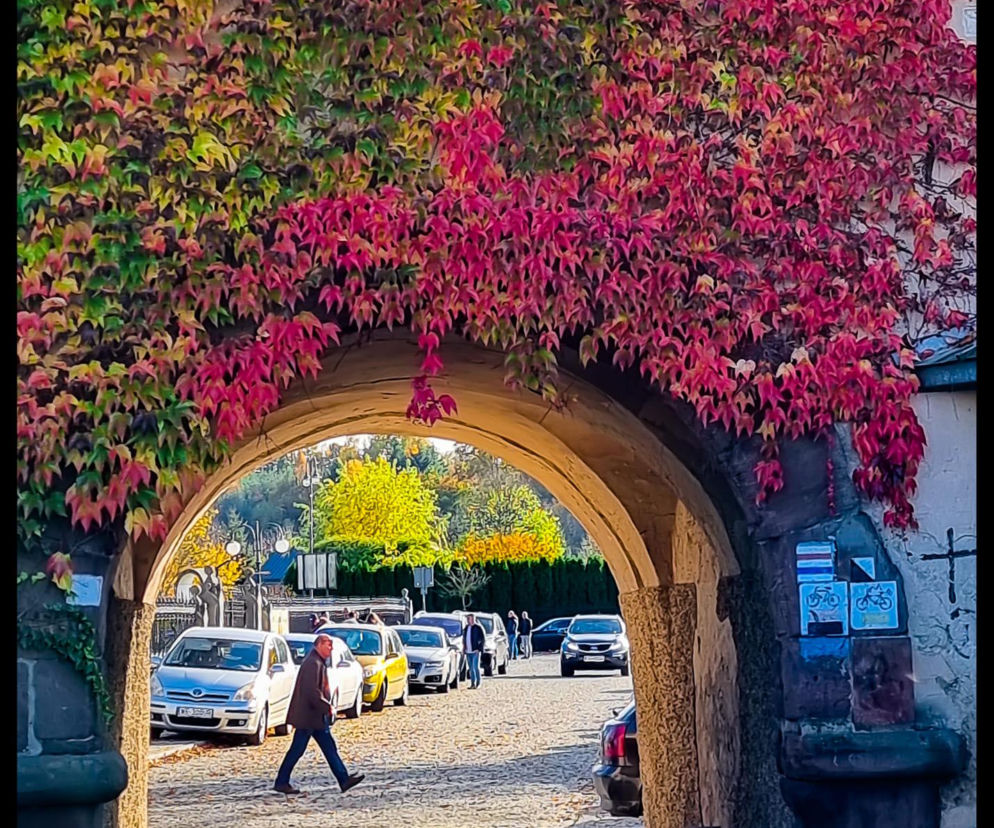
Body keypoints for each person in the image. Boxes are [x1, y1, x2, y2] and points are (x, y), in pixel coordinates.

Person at [274, 634, 365, 795]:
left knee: (329, 747)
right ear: (319, 645)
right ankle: (281, 781)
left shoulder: (317, 662)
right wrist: (326, 706)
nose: (330, 649)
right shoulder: (312, 663)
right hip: (309, 717)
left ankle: (343, 779)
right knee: (298, 750)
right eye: (328, 645)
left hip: (315, 717)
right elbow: (312, 691)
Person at [463, 613, 486, 688]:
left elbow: (483, 639)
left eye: (470, 618)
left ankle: (478, 683)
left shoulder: (478, 627)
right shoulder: (466, 628)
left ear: (473, 619)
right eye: (468, 618)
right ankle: (473, 683)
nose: (469, 620)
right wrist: (464, 648)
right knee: (470, 668)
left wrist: (479, 649)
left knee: (476, 667)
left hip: (475, 651)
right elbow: (464, 638)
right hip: (468, 651)